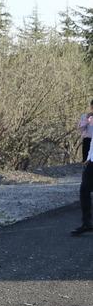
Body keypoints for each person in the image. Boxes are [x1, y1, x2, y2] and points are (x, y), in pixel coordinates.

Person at [73, 100, 93, 235]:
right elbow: (81, 130)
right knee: (84, 188)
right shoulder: (87, 117)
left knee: (85, 188)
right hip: (90, 153)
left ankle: (87, 222)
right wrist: (88, 158)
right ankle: (87, 223)